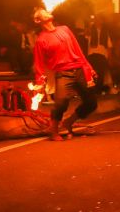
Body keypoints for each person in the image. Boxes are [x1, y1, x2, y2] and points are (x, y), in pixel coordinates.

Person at [32, 8, 98, 141]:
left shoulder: (65, 29)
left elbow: (78, 50)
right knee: (61, 102)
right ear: (38, 20)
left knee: (91, 103)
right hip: (63, 72)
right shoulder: (41, 40)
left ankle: (69, 122)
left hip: (79, 68)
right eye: (43, 12)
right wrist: (39, 85)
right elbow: (39, 64)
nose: (47, 12)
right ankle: (54, 130)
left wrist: (88, 67)